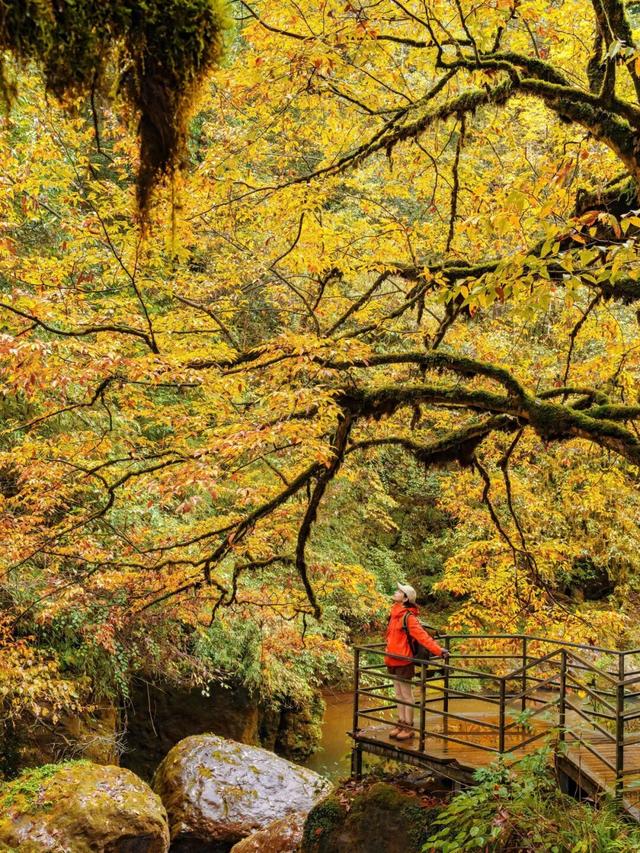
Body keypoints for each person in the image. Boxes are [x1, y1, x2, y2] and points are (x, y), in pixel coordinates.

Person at [384, 582, 448, 741]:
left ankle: (408, 726)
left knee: (406, 694)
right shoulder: (394, 614)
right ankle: (400, 722)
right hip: (392, 658)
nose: (396, 592)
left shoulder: (408, 617)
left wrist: (439, 651)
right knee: (398, 693)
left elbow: (422, 637)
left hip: (404, 659)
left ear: (405, 598)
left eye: (399, 591)